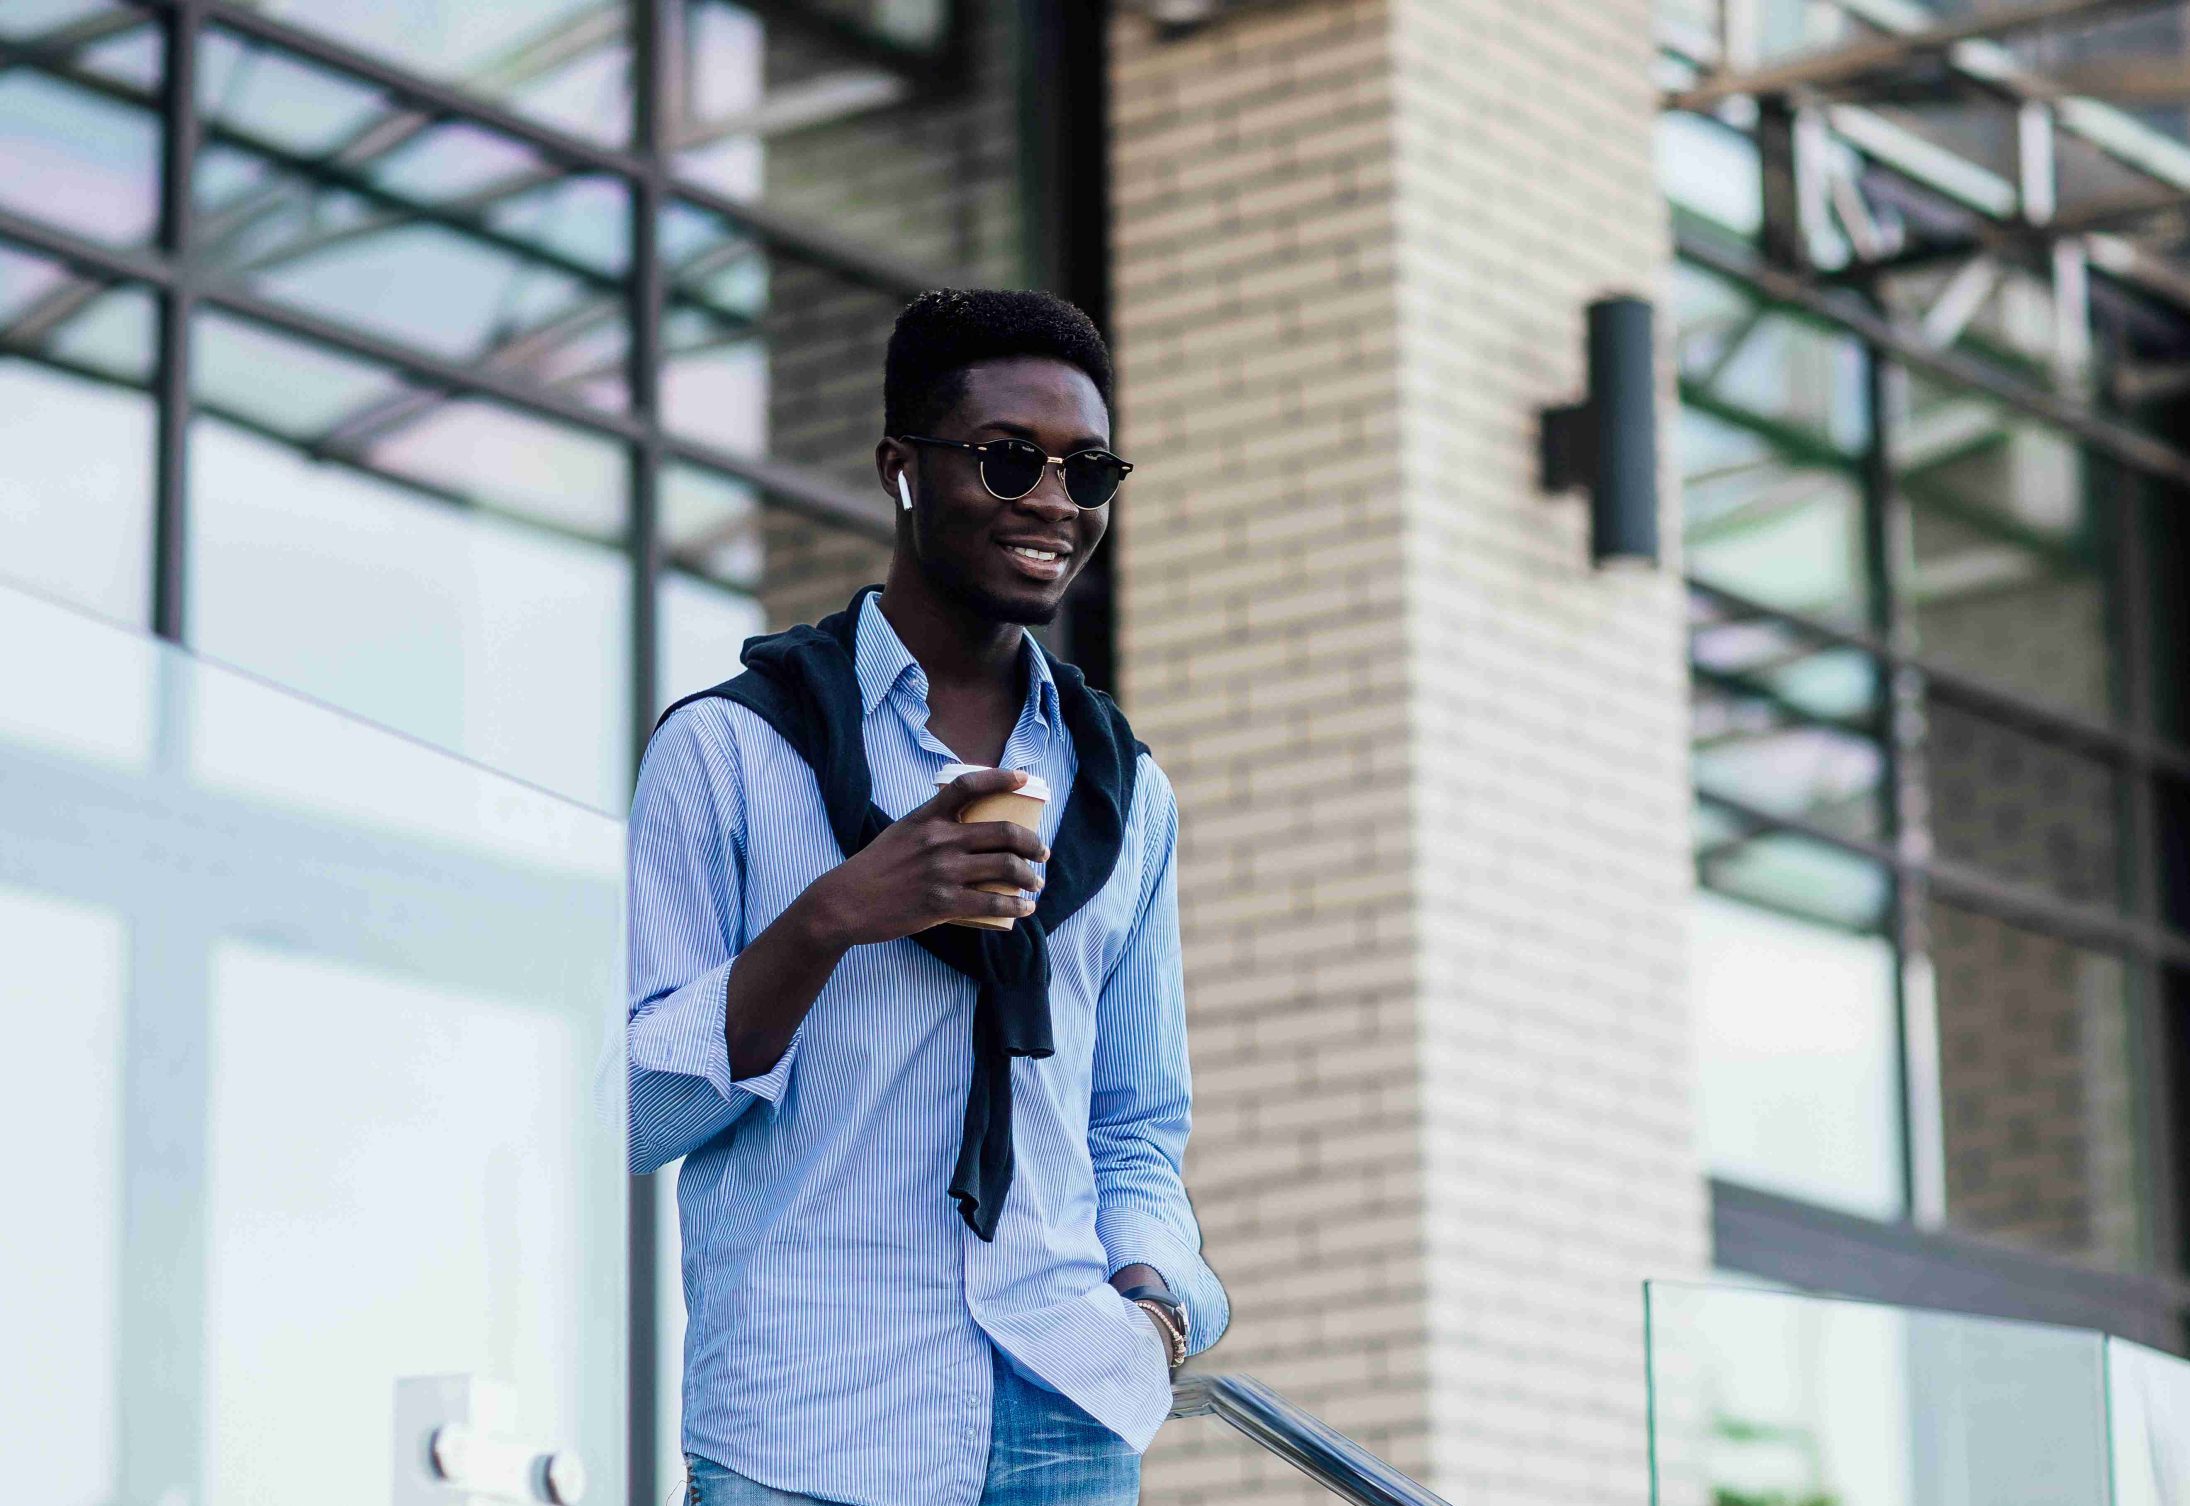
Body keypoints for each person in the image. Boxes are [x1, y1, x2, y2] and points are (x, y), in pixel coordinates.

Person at [626, 288, 1228, 1506]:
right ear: (902, 470)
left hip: (1065, 1416)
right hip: (807, 1429)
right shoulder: (727, 751)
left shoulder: (1125, 794)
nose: (1053, 501)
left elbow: (1134, 1125)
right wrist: (833, 917)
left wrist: (1154, 1303)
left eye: (1086, 471)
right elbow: (642, 1114)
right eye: (1008, 459)